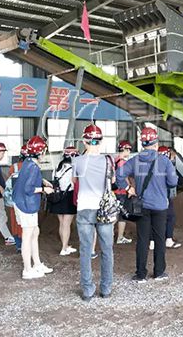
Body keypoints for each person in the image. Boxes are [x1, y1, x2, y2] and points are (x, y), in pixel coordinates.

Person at [118, 127, 178, 284]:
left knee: (143, 240)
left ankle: (140, 275)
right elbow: (173, 182)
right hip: (160, 206)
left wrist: (128, 188)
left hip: (142, 205)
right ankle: (159, 272)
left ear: (142, 144)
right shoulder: (164, 161)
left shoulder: (135, 160)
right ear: (156, 143)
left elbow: (119, 175)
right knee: (159, 239)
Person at [72, 124, 115, 300]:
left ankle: (88, 290)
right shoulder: (108, 160)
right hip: (104, 209)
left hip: (84, 208)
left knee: (86, 250)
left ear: (84, 141)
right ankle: (106, 288)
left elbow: (74, 182)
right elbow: (112, 180)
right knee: (107, 250)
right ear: (101, 141)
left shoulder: (77, 161)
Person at [12, 136, 54, 280]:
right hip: (26, 204)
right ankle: (27, 269)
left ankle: (36, 264)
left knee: (35, 232)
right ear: (41, 152)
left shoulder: (28, 162)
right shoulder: (34, 167)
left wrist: (42, 180)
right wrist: (44, 189)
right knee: (28, 235)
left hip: (21, 202)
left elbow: (26, 179)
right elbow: (28, 189)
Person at [51, 146, 79, 256]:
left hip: (57, 196)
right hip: (68, 196)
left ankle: (65, 246)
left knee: (62, 223)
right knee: (67, 224)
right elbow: (74, 182)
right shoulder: (73, 168)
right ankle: (64, 248)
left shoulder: (57, 167)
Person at [159, 146, 181, 249]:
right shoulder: (168, 166)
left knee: (152, 219)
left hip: (151, 197)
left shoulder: (150, 165)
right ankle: (168, 239)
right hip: (164, 195)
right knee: (170, 217)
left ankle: (152, 242)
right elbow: (172, 182)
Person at [6, 144, 27, 252]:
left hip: (14, 199)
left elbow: (9, 183)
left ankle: (18, 245)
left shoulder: (13, 167)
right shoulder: (33, 167)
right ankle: (26, 245)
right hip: (27, 200)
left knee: (15, 222)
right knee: (27, 223)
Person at [114, 140, 133, 245]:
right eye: (129, 150)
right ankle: (119, 237)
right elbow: (123, 177)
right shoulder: (123, 163)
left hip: (115, 191)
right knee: (121, 215)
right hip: (121, 192)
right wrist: (129, 188)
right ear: (124, 149)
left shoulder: (115, 160)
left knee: (117, 214)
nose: (129, 152)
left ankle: (118, 237)